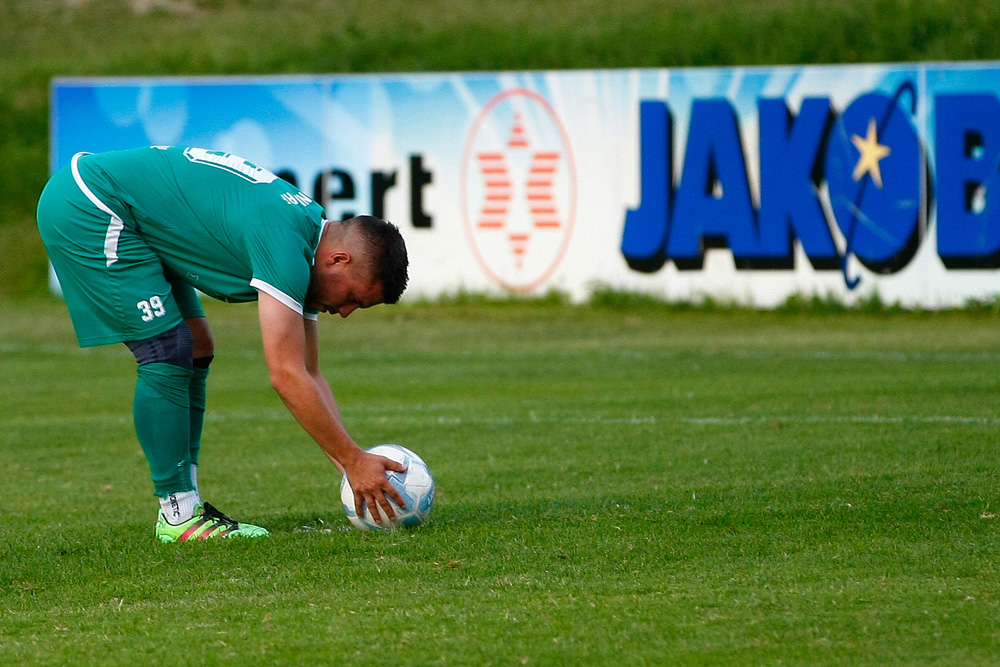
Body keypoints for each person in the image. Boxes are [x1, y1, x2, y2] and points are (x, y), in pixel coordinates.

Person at [36, 146, 410, 542]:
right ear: (339, 260)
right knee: (166, 350)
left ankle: (185, 507)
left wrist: (351, 466)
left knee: (197, 347)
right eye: (354, 298)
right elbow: (285, 374)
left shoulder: (306, 234)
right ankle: (179, 514)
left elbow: (309, 371)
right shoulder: (284, 241)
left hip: (128, 213)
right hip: (91, 204)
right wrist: (353, 460)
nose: (347, 312)